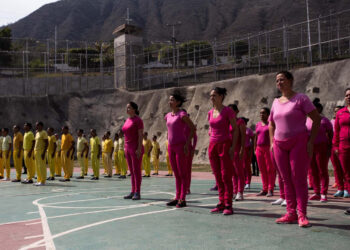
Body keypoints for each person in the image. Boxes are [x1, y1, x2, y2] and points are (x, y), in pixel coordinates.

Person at [269, 71, 320, 227]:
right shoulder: (275, 102)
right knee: (285, 180)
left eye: (282, 79)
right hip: (279, 144)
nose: (279, 83)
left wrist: (310, 142)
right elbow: (271, 123)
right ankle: (290, 213)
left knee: (298, 178)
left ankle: (302, 215)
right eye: (277, 81)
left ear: (290, 80)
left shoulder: (301, 98)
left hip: (298, 141)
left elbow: (316, 119)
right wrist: (272, 142)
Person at [207, 88, 238, 215]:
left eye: (214, 95)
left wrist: (232, 147)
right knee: (218, 176)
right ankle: (221, 202)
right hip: (213, 145)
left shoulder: (228, 111)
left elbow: (235, 130)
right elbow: (211, 128)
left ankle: (228, 204)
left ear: (221, 96)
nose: (212, 98)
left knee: (226, 176)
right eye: (210, 96)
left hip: (225, 144)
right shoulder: (210, 112)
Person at [165, 93, 196, 208]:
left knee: (182, 173)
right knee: (176, 174)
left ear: (178, 102)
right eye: (169, 100)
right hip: (171, 146)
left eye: (172, 100)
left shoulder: (182, 114)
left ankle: (182, 198)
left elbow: (193, 128)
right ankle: (177, 196)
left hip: (180, 146)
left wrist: (187, 144)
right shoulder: (167, 115)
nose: (170, 102)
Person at [306, 99, 333, 202]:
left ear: (319, 109)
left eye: (315, 108)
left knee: (322, 170)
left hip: (322, 147)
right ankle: (316, 192)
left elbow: (330, 134)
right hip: (310, 147)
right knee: (313, 171)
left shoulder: (324, 120)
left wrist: (329, 147)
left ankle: (324, 193)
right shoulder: (306, 120)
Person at [122, 102, 144, 200]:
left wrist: (139, 148)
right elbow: (125, 135)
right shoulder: (127, 120)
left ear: (134, 109)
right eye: (126, 107)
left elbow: (140, 135)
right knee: (131, 171)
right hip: (127, 147)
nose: (127, 109)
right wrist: (124, 147)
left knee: (136, 170)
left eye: (129, 108)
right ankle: (132, 190)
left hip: (135, 147)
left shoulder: (138, 120)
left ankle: (137, 192)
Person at [333, 88, 350, 208]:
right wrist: (335, 146)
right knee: (347, 174)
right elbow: (336, 132)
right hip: (344, 147)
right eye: (347, 95)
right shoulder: (340, 113)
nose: (349, 96)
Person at [254, 108, 276, 197]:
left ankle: (270, 189)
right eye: (260, 113)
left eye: (263, 113)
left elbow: (273, 136)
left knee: (270, 169)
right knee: (262, 170)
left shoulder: (271, 124)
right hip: (259, 149)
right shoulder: (258, 124)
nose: (261, 115)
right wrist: (254, 149)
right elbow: (256, 137)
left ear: (268, 115)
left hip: (268, 149)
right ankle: (264, 189)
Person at [228, 104, 245, 201]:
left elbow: (243, 136)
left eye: (232, 111)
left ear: (236, 111)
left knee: (239, 172)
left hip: (237, 149)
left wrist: (242, 149)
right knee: (233, 172)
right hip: (230, 149)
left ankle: (240, 192)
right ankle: (234, 191)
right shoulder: (228, 122)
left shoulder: (240, 122)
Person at [331, 106, 346, 197]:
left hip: (344, 145)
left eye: (338, 111)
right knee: (337, 168)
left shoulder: (344, 120)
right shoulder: (331, 121)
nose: (336, 113)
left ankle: (347, 188)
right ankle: (340, 188)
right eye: (335, 111)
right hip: (334, 146)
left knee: (345, 169)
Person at [243, 118, 254, 190]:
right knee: (241, 167)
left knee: (247, 167)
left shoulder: (248, 130)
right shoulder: (237, 130)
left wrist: (251, 149)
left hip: (247, 150)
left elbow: (253, 139)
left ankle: (248, 182)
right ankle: (243, 181)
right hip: (240, 150)